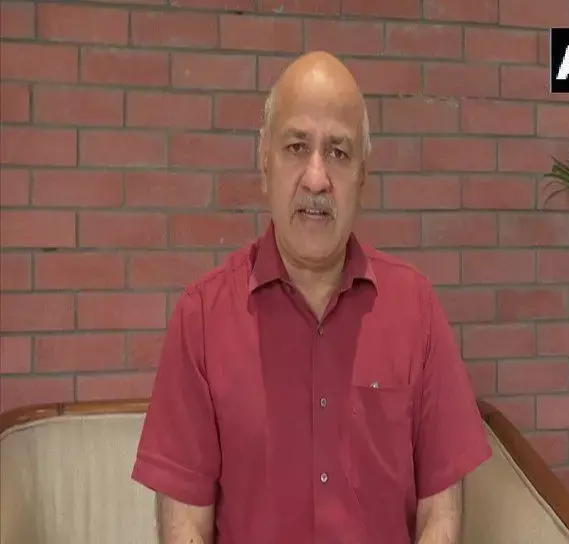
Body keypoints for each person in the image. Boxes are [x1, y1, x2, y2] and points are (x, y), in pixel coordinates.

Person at [131, 51, 492, 544]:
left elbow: (440, 514)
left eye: (339, 152)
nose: (317, 178)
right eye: (297, 147)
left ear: (362, 177)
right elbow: (186, 527)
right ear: (264, 163)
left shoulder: (417, 308)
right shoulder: (200, 318)